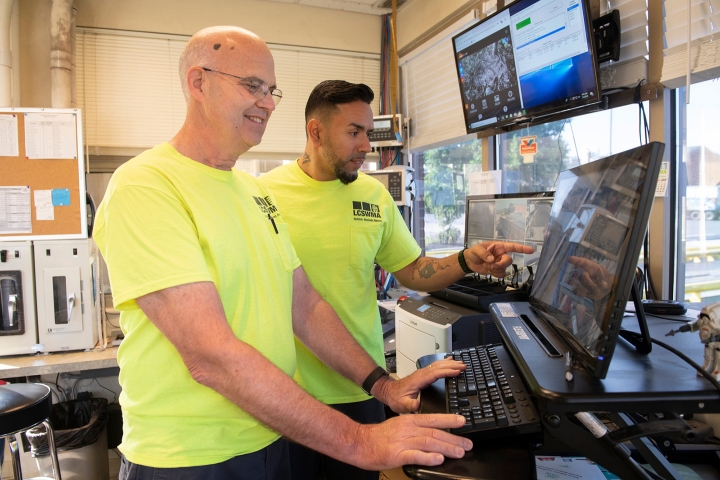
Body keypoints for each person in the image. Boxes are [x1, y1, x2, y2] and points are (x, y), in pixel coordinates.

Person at [93, 26, 476, 480]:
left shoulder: (252, 193)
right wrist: (360, 439)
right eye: (252, 86)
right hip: (190, 458)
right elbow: (210, 355)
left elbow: (305, 306)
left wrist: (383, 386)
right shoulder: (147, 185)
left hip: (269, 438)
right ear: (199, 82)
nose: (270, 103)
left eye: (272, 90)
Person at [259, 80, 534, 480]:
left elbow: (413, 271)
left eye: (368, 133)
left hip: (362, 387)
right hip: (288, 394)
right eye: (353, 132)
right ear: (315, 132)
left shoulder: (373, 196)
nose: (365, 146)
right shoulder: (264, 195)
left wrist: (465, 261)